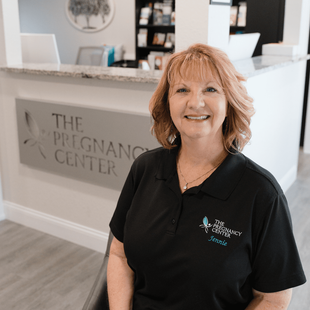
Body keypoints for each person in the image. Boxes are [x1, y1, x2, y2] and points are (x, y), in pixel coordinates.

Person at [107, 43, 306, 310]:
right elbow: (119, 255)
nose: (195, 102)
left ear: (229, 102)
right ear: (168, 102)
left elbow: (273, 297)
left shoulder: (262, 194)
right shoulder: (145, 168)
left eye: (210, 89)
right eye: (182, 90)